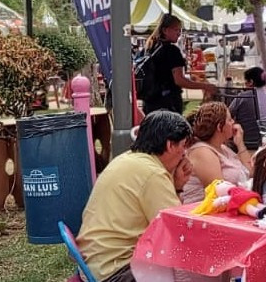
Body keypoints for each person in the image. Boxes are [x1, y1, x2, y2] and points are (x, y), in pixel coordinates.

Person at [77, 111, 193, 282]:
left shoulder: (127, 159)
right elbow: (177, 231)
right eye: (183, 146)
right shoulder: (153, 173)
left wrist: (176, 186)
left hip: (96, 263)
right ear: (170, 145)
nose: (184, 153)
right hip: (115, 270)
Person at [142, 14, 216, 114]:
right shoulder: (172, 51)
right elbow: (179, 80)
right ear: (165, 30)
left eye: (179, 30)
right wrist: (205, 86)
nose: (179, 33)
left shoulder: (149, 47)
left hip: (150, 103)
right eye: (176, 30)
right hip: (168, 103)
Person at [181, 102, 252, 204]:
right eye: (230, 119)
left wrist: (240, 144)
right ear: (220, 127)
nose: (233, 123)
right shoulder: (202, 152)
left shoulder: (224, 149)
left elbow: (250, 172)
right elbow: (219, 191)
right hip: (203, 211)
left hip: (231, 205)